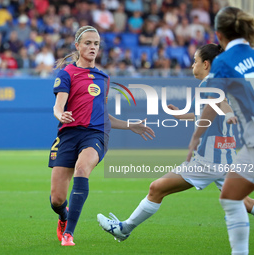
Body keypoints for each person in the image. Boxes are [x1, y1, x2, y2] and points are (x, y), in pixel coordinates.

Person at [97, 43, 254, 243]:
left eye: (195, 61)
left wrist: (228, 111)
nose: (192, 66)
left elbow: (219, 103)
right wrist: (181, 115)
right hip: (226, 158)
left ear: (206, 64)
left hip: (208, 162)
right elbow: (209, 112)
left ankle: (123, 229)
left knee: (157, 188)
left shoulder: (210, 84)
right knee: (244, 202)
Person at [49, 25, 155, 246]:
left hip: (96, 135)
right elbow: (58, 106)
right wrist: (62, 114)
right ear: (77, 46)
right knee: (56, 199)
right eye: (87, 43)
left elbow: (102, 115)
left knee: (82, 168)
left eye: (96, 43)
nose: (92, 47)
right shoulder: (66, 73)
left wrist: (129, 125)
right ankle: (63, 216)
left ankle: (69, 233)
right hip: (69, 134)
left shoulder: (103, 78)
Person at [187, 7, 254, 255]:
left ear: (219, 34)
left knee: (231, 198)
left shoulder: (224, 61)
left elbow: (215, 100)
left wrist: (195, 138)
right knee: (232, 195)